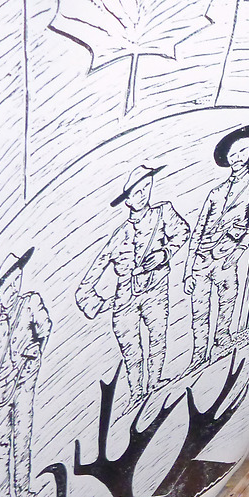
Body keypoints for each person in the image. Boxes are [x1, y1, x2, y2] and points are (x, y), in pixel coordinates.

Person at [75, 164, 190, 400]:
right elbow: (87, 283)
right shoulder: (119, 236)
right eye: (137, 192)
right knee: (131, 351)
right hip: (125, 299)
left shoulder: (163, 212)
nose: (143, 194)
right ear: (127, 200)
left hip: (156, 290)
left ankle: (155, 383)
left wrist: (165, 253)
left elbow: (182, 232)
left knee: (158, 337)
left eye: (146, 187)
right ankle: (137, 394)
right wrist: (101, 304)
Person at [185, 123, 249, 368]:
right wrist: (188, 270)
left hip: (227, 253)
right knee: (199, 309)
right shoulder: (216, 191)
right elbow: (198, 231)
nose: (237, 157)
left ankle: (221, 341)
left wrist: (239, 250)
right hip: (202, 258)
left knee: (227, 297)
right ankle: (199, 355)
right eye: (232, 154)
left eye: (242, 151)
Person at [0, 248, 50, 497]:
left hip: (22, 386)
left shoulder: (30, 303)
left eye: (15, 280)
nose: (12, 288)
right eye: (5, 286)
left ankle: (23, 494)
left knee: (22, 439)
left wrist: (34, 354)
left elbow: (44, 329)